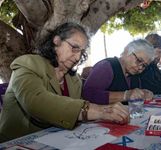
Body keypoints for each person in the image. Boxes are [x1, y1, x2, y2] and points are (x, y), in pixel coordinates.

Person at [0, 22, 129, 143]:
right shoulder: (27, 64)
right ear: (56, 41)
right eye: (74, 48)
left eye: (82, 52)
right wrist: (102, 111)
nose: (78, 57)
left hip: (58, 142)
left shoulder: (74, 80)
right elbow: (36, 102)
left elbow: (73, 115)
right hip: (16, 143)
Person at [83, 39, 154, 105]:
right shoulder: (106, 66)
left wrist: (143, 93)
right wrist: (125, 95)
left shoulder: (135, 76)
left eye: (144, 65)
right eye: (139, 60)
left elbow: (134, 97)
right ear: (127, 52)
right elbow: (88, 95)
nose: (140, 68)